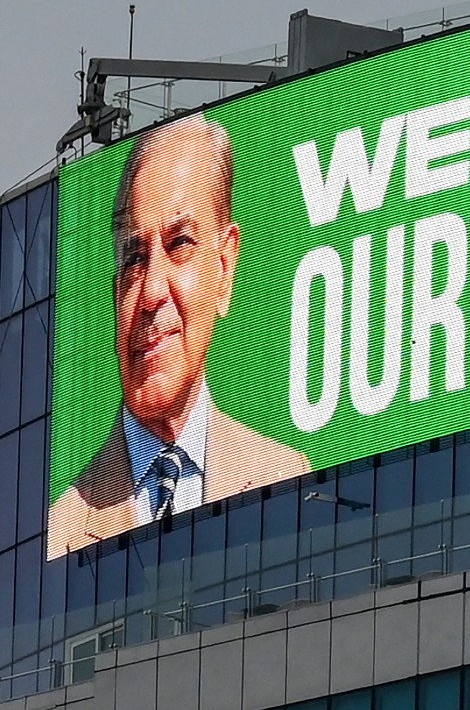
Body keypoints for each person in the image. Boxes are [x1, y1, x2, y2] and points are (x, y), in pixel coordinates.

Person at [49, 116, 310, 556]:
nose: (149, 291)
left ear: (225, 267)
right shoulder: (63, 529)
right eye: (134, 256)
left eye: (180, 244)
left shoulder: (282, 476)